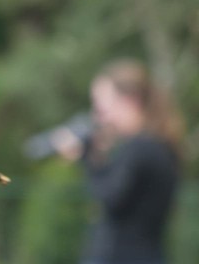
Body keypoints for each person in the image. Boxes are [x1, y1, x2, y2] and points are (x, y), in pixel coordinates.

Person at [52, 59, 184, 264]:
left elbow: (110, 198)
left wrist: (85, 156)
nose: (99, 118)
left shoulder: (140, 147)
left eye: (103, 108)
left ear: (130, 100)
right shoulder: (156, 146)